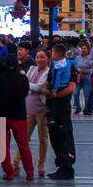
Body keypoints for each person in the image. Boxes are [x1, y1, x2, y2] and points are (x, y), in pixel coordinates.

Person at [0, 55, 33, 181]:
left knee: (3, 146)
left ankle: (8, 173)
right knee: (23, 145)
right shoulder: (23, 78)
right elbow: (26, 93)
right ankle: (30, 173)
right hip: (19, 115)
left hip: (1, 115)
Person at [45, 43, 77, 180]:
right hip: (51, 106)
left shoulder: (69, 67)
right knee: (55, 135)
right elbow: (49, 82)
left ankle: (67, 166)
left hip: (62, 107)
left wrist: (56, 95)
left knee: (64, 135)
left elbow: (71, 88)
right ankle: (61, 165)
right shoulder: (53, 66)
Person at [25, 49, 51, 177]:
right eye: (37, 57)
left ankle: (41, 164)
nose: (39, 59)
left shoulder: (49, 71)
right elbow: (28, 84)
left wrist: (32, 86)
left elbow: (41, 87)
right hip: (29, 107)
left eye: (42, 57)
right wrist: (35, 86)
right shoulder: (31, 69)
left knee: (43, 138)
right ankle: (16, 163)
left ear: (48, 58)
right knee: (24, 138)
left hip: (42, 109)